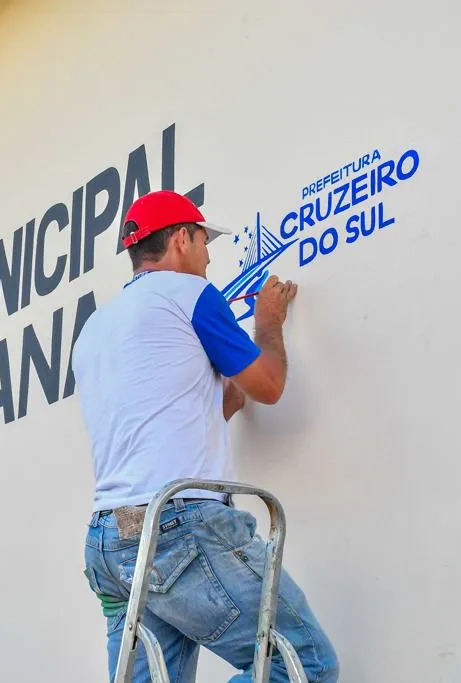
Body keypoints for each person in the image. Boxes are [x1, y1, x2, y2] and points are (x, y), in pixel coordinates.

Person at [72, 190, 339, 683]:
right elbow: (269, 386)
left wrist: (228, 386)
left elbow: (194, 410)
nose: (209, 257)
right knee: (304, 665)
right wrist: (267, 325)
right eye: (203, 242)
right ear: (181, 238)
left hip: (114, 538)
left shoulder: (94, 329)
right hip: (177, 526)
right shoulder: (190, 294)